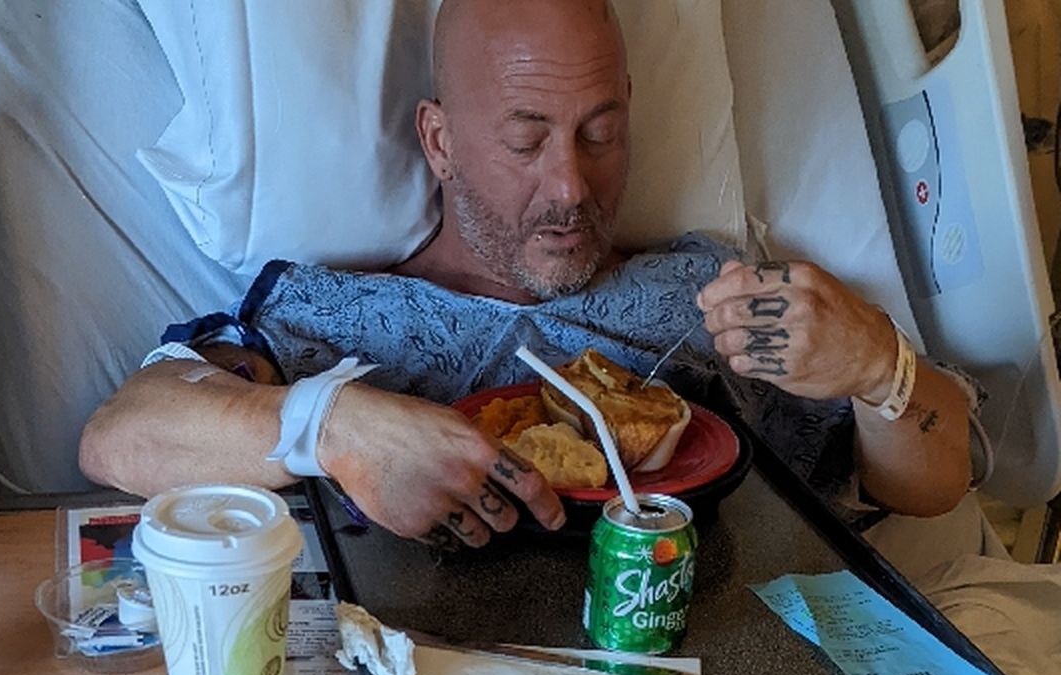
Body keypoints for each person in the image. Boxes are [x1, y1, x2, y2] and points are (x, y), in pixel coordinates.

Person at [78, 0, 973, 548]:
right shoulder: (332, 320)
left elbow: (934, 483)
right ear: (440, 142)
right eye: (525, 140)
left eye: (600, 132)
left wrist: (879, 368)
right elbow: (121, 436)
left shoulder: (713, 298)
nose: (571, 187)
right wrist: (334, 427)